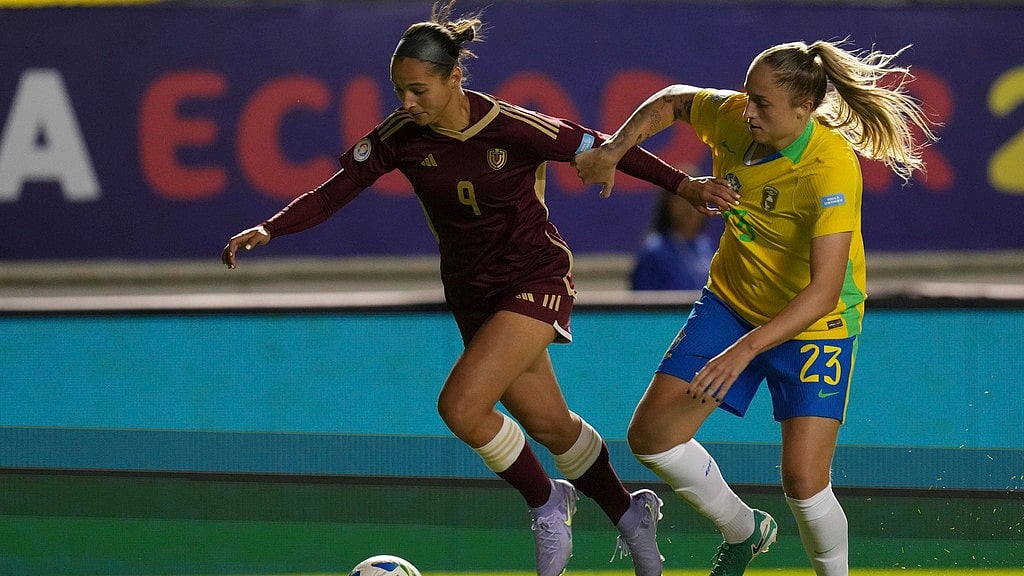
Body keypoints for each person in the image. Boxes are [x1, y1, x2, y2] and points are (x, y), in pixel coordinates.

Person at [220, 2, 738, 575]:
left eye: (418, 89)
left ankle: (546, 500)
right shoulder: (399, 136)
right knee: (550, 425)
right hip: (472, 293)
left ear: (455, 78)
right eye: (399, 90)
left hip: (534, 277)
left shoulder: (514, 126)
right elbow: (336, 189)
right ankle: (628, 513)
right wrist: (272, 227)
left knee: (463, 408)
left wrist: (686, 185)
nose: (406, 102)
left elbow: (606, 146)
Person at [574, 40, 936, 575]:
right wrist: (613, 151)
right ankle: (744, 531)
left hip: (817, 324)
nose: (748, 110)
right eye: (748, 96)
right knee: (650, 437)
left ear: (803, 109)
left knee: (805, 483)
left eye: (763, 104)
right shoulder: (735, 118)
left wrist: (743, 352)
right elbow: (673, 101)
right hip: (732, 302)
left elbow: (825, 289)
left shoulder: (830, 167)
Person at [631, 189, 719, 291]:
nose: (689, 208)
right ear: (667, 205)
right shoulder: (654, 251)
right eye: (682, 200)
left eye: (696, 200)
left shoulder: (705, 246)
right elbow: (642, 301)